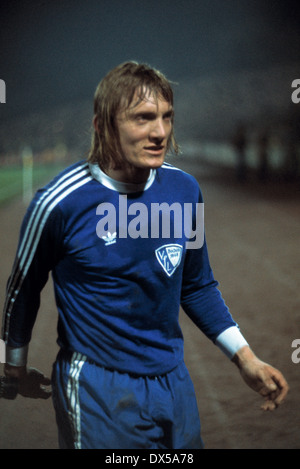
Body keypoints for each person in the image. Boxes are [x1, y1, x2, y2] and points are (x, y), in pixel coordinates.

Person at [1, 62, 289, 449]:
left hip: (173, 380)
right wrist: (13, 364)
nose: (159, 133)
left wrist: (246, 358)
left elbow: (197, 284)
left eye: (166, 118)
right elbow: (23, 287)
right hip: (97, 385)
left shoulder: (184, 190)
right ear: (102, 125)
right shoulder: (59, 202)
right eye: (143, 118)